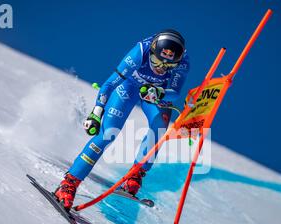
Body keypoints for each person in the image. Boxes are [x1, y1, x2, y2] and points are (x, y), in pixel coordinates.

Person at [55, 29, 190, 210]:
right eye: (157, 61)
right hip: (129, 87)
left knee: (159, 127)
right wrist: (96, 113)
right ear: (152, 51)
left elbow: (175, 92)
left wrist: (159, 92)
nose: (160, 67)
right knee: (107, 134)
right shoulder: (140, 51)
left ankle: (135, 176)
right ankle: (69, 183)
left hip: (155, 94)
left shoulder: (183, 62)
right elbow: (110, 83)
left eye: (168, 66)